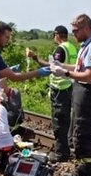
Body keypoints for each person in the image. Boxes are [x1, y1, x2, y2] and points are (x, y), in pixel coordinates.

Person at [0, 21, 51, 176]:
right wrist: (38, 73)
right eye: (6, 37)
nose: (7, 40)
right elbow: (14, 78)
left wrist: (6, 71)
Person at [50, 14, 91, 176]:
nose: (73, 34)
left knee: (84, 133)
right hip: (81, 91)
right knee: (78, 132)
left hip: (88, 92)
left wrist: (65, 74)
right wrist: (61, 67)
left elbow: (89, 76)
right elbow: (79, 67)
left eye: (76, 30)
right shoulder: (84, 46)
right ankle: (81, 169)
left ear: (86, 28)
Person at [27, 25, 77, 161]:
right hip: (68, 87)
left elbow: (51, 67)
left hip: (60, 89)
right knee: (65, 120)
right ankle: (65, 149)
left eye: (54, 35)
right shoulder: (72, 47)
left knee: (59, 121)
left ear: (57, 35)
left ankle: (61, 153)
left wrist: (35, 58)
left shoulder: (61, 49)